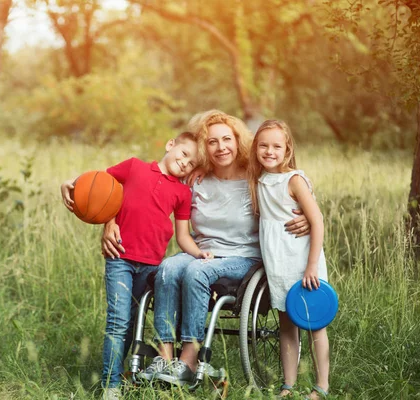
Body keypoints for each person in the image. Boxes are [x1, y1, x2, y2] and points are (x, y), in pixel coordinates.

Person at [121, 110, 310, 386]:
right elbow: (151, 194)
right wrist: (112, 221)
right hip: (201, 252)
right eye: (212, 142)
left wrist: (306, 216)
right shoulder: (195, 179)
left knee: (197, 271)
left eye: (226, 140)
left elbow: (290, 191)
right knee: (168, 268)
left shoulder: (255, 177)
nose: (221, 147)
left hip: (242, 257)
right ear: (203, 148)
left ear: (237, 141)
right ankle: (164, 356)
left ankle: (188, 361)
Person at [61, 131, 210, 400]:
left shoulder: (182, 192)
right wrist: (68, 184)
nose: (185, 163)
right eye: (184, 154)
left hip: (152, 266)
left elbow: (183, 235)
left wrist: (200, 254)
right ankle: (111, 385)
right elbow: (95, 186)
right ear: (170, 144)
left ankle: (131, 371)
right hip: (120, 259)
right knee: (118, 321)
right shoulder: (133, 167)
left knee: (133, 322)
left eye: (191, 164)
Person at [248, 119, 330, 399]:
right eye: (263, 145)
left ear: (287, 149)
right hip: (277, 263)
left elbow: (316, 220)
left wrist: (311, 266)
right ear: (255, 148)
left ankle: (322, 386)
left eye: (276, 146)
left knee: (314, 324)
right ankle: (288, 384)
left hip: (302, 261)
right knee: (286, 324)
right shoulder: (258, 180)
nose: (269, 151)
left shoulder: (293, 180)